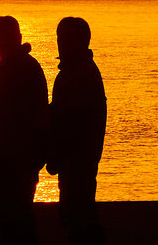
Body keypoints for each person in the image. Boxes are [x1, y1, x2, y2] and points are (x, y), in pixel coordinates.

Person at [0, 15, 49, 245]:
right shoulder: (13, 67)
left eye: (1, 36)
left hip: (14, 163)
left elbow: (15, 119)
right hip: (12, 161)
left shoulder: (19, 68)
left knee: (16, 223)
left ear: (17, 37)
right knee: (14, 223)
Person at [48, 16, 106, 245]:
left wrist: (55, 153)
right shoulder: (75, 72)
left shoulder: (80, 74)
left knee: (78, 216)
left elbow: (71, 120)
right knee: (75, 215)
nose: (59, 43)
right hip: (74, 159)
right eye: (58, 38)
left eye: (62, 38)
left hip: (77, 158)